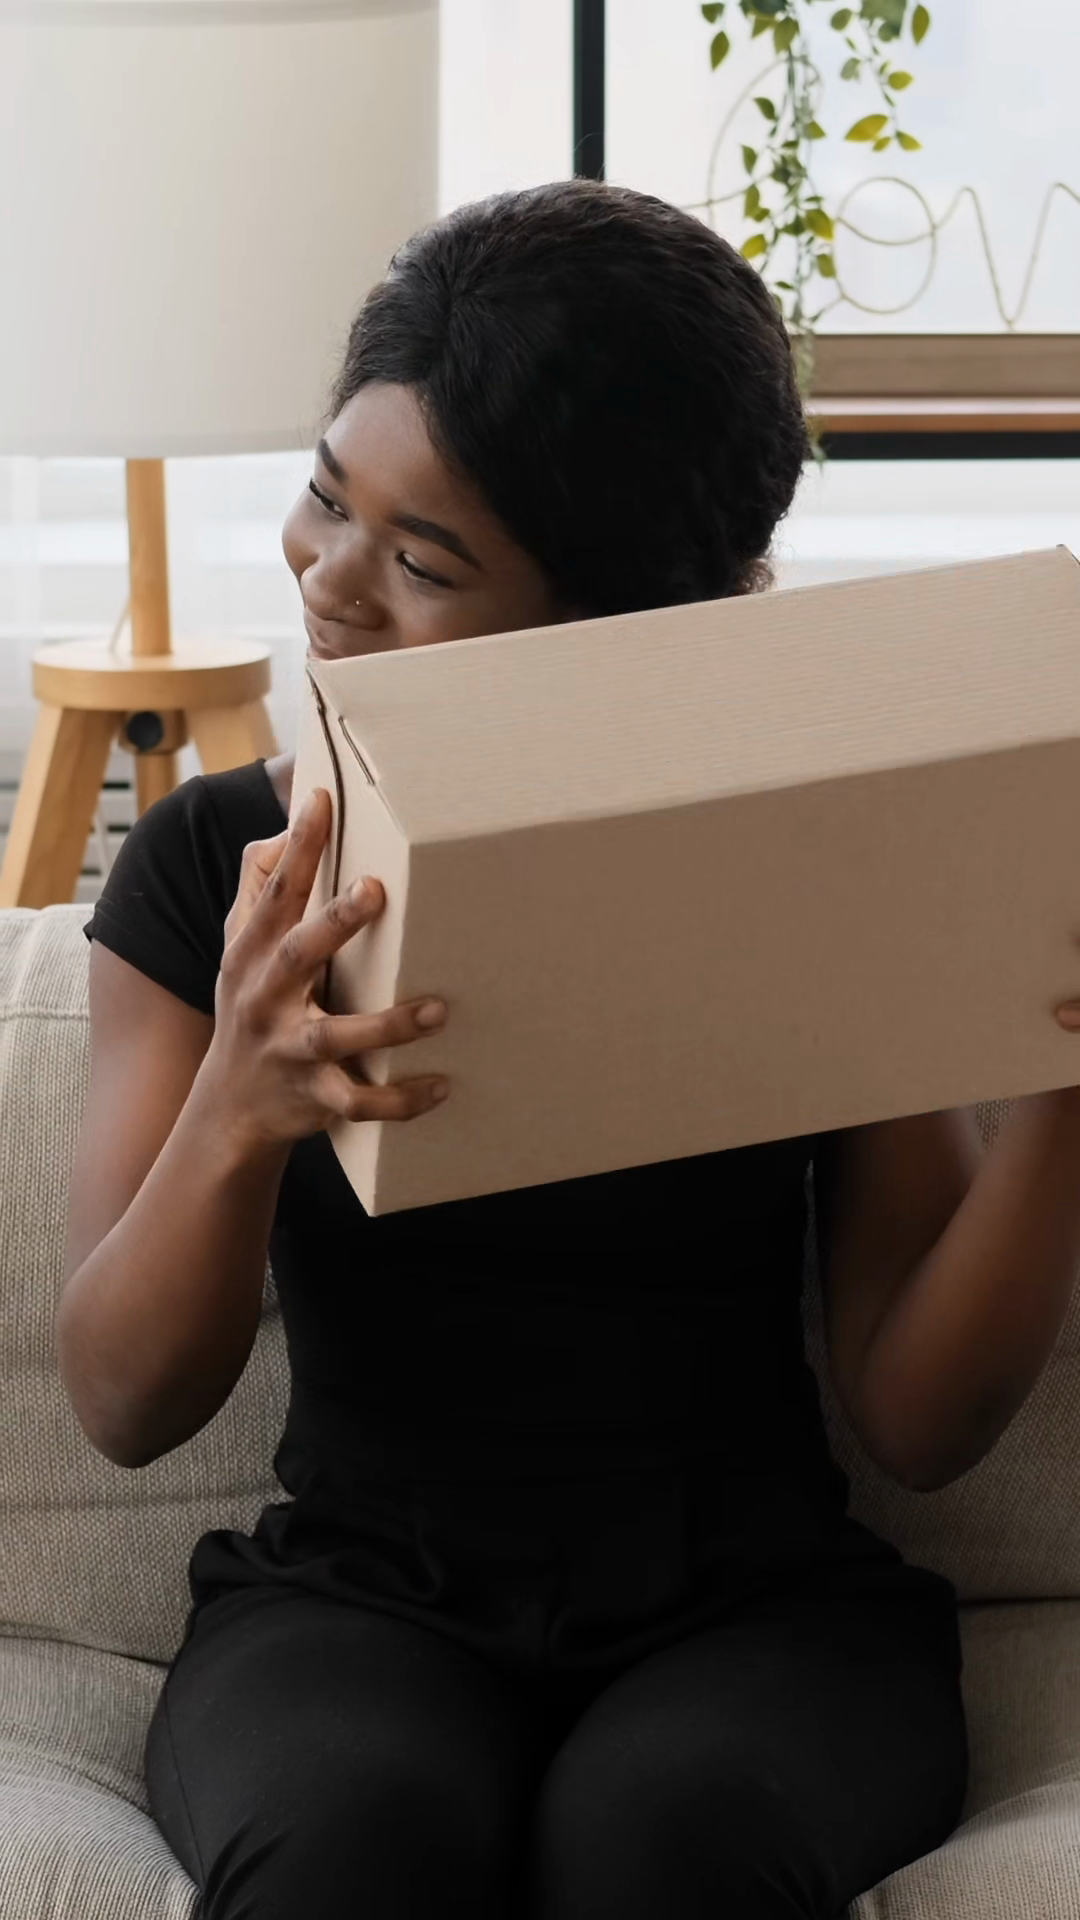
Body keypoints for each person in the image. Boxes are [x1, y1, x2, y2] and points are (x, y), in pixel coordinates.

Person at [56, 177, 1080, 1919]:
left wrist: (1058, 1095)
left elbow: (918, 1422)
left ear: (614, 625)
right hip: (355, 1606)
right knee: (349, 1841)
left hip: (757, 1621)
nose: (331, 582)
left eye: (423, 561)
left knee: (664, 1845)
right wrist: (238, 1108)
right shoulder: (202, 868)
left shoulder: (804, 869)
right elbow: (122, 1403)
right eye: (326, 499)